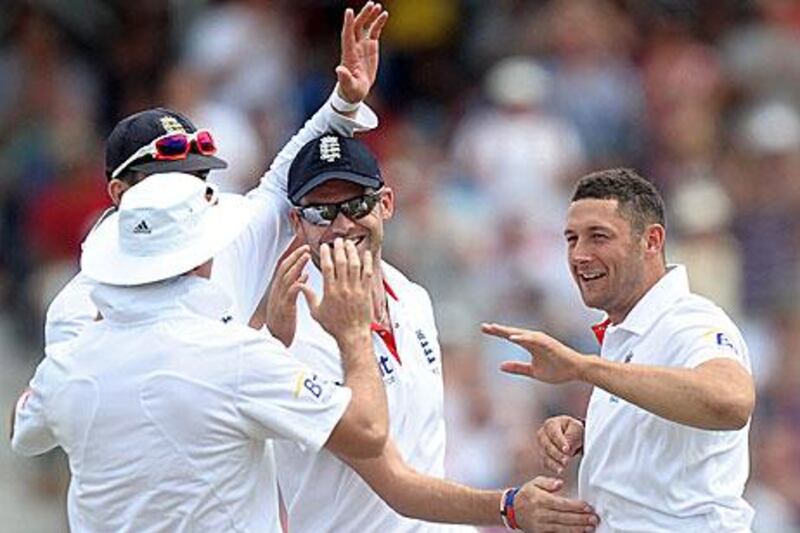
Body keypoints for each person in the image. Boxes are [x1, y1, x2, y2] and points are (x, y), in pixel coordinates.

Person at [10, 173, 388, 532]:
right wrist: (353, 332)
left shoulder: (68, 364)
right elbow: (368, 431)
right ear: (202, 256)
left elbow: (25, 432)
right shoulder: (235, 354)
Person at [265, 133, 600, 532]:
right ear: (296, 223)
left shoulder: (410, 297)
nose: (341, 224)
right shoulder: (295, 332)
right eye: (320, 212)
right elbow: (395, 485)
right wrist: (509, 507)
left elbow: (424, 451)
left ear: (385, 204)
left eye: (356, 205)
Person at [44, 2, 387, 348]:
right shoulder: (77, 311)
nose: (188, 194)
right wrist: (271, 342)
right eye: (167, 182)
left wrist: (342, 104)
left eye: (196, 179)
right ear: (119, 192)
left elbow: (280, 182)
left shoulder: (229, 247)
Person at [482, 168, 756, 532]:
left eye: (599, 237)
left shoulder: (690, 320)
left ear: (652, 241)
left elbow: (731, 401)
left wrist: (583, 368)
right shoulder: (629, 332)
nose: (579, 254)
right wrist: (590, 431)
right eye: (571, 238)